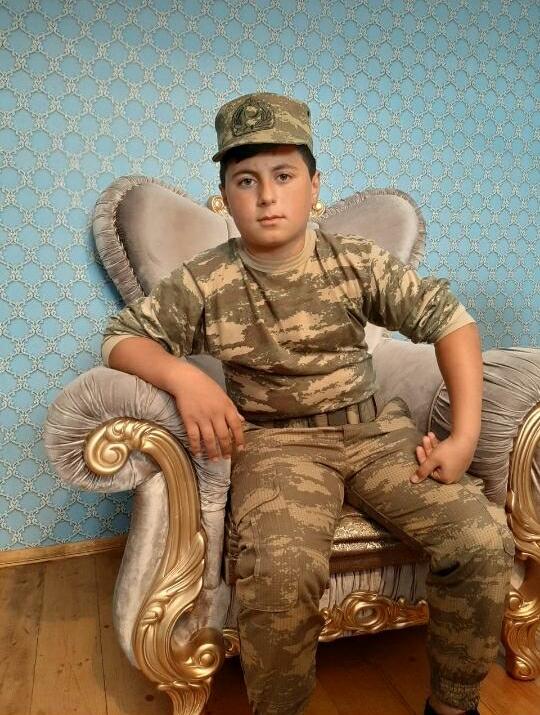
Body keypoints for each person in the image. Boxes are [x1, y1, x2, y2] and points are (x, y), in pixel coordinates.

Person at [101, 92, 514, 715]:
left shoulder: (355, 261)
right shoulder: (205, 280)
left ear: (314, 187)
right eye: (246, 180)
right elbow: (120, 340)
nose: (267, 196)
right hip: (276, 446)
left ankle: (454, 705)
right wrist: (185, 378)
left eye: (284, 175)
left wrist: (464, 437)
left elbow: (451, 322)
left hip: (375, 435)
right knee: (278, 577)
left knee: (478, 540)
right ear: (226, 195)